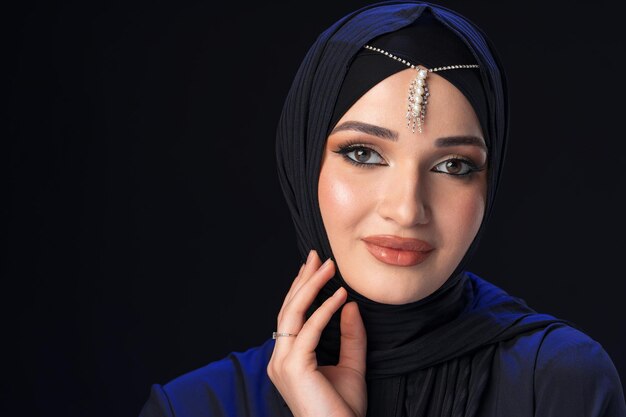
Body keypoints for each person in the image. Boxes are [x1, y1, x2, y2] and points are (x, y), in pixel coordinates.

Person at [138, 1, 626, 416]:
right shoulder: (196, 407)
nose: (407, 209)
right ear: (303, 161)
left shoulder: (560, 385)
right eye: (363, 154)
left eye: (454, 165)